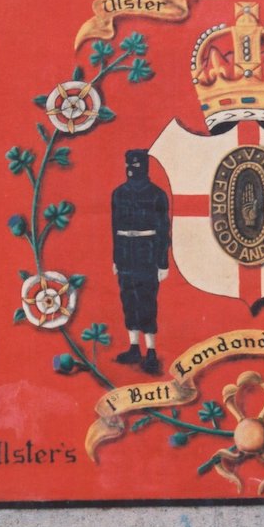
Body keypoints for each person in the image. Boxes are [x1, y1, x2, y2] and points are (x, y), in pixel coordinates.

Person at [111, 149, 170, 375]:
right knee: (128, 298)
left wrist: (163, 263)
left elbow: (163, 230)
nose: (131, 169)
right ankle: (134, 347)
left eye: (136, 165)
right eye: (129, 165)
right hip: (126, 253)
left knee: (147, 300)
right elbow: (115, 228)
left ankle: (151, 351)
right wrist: (116, 258)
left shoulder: (157, 195)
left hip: (147, 252)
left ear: (145, 167)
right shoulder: (119, 194)